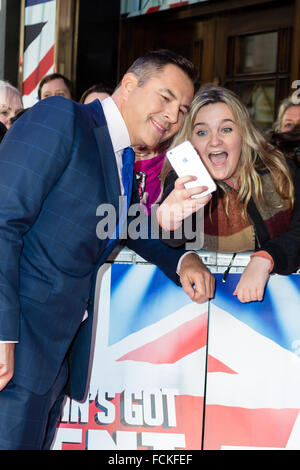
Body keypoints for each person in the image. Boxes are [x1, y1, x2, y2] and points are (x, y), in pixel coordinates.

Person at [0, 49, 211, 450]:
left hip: (51, 363)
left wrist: (182, 257)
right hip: (15, 352)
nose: (174, 116)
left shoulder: (120, 158)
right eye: (165, 98)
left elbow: (126, 223)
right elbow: (2, 219)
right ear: (130, 85)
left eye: (183, 109)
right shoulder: (63, 118)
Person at [156, 84, 300, 304]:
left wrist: (266, 258)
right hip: (200, 309)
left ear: (243, 133)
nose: (215, 141)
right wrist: (169, 222)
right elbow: (170, 240)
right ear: (191, 142)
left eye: (226, 129)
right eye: (202, 132)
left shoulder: (279, 172)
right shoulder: (182, 180)